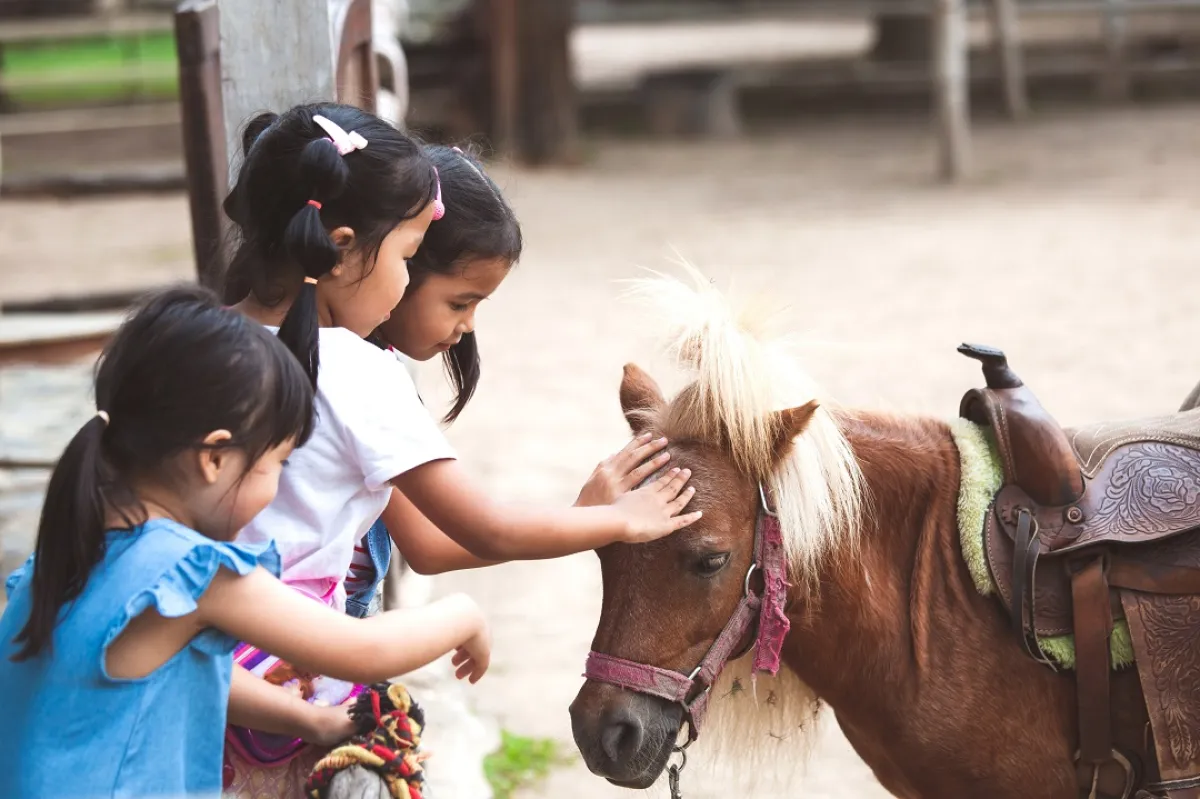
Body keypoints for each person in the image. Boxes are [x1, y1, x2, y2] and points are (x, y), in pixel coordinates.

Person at [220, 104, 700, 795]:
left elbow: (430, 542)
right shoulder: (353, 370)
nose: (464, 325)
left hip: (214, 676)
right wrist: (620, 519)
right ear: (348, 247)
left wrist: (577, 515)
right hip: (301, 690)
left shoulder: (206, 341)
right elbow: (479, 527)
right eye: (411, 261)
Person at [0, 287, 491, 799]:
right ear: (214, 458)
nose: (276, 486)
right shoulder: (193, 571)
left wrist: (314, 722)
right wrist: (464, 615)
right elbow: (365, 651)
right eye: (277, 462)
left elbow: (202, 674)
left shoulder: (71, 552)